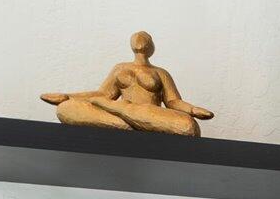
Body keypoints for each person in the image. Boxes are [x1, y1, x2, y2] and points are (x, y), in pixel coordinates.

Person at [41, 31, 214, 136]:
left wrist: (192, 110)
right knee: (66, 108)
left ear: (152, 47)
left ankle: (126, 114)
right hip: (121, 117)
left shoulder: (160, 72)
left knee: (188, 126)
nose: (140, 40)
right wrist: (67, 97)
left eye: (146, 39)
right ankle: (133, 124)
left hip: (149, 114)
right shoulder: (120, 68)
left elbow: (173, 101)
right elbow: (103, 94)